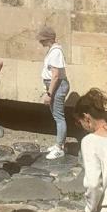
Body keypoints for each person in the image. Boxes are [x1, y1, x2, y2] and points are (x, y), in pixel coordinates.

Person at [38, 25, 69, 160]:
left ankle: (59, 147)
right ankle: (59, 144)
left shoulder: (56, 52)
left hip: (57, 86)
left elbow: (55, 75)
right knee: (57, 116)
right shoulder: (53, 50)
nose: (40, 42)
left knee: (59, 117)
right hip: (54, 85)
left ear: (48, 39)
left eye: (42, 40)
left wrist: (49, 94)